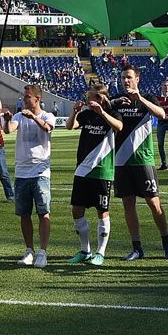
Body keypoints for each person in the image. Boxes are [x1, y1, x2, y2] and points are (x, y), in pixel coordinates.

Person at [109, 66, 168, 261]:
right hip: (121, 160)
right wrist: (114, 101)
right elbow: (101, 106)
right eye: (123, 78)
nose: (125, 81)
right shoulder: (119, 101)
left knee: (154, 204)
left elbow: (162, 115)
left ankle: (167, 244)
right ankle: (137, 248)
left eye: (129, 77)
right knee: (128, 205)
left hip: (143, 159)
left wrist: (141, 100)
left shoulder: (147, 98)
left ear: (137, 78)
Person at [67, 82, 123, 266]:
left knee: (102, 212)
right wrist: (74, 112)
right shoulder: (86, 115)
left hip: (102, 170)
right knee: (77, 210)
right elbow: (70, 126)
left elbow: (119, 127)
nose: (87, 100)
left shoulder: (112, 114)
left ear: (99, 98)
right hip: (82, 169)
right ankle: (85, 250)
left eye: (89, 97)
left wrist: (102, 113)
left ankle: (100, 252)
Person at [8, 84, 55, 268]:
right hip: (21, 172)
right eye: (23, 97)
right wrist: (6, 120)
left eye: (27, 97)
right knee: (24, 214)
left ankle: (43, 252)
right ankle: (29, 250)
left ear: (37, 98)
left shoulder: (46, 115)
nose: (24, 100)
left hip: (40, 170)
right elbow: (8, 130)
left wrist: (34, 117)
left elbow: (47, 128)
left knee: (43, 213)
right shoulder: (19, 115)